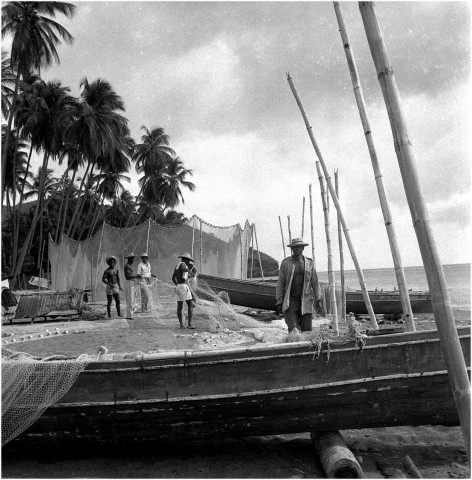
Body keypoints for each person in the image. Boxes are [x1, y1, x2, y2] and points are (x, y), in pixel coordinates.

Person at [275, 238, 322, 332]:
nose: (297, 249)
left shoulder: (309, 263)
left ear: (303, 248)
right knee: (293, 330)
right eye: (294, 247)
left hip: (306, 300)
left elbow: (315, 282)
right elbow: (280, 283)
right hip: (291, 301)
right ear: (292, 249)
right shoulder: (285, 263)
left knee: (307, 331)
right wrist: (279, 301)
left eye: (299, 247)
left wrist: (318, 299)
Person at [172, 253, 196, 329]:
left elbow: (173, 278)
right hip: (183, 286)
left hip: (179, 286)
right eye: (188, 260)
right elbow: (183, 268)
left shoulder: (177, 266)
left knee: (180, 306)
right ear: (185, 260)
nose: (189, 262)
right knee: (190, 304)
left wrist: (177, 285)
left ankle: (181, 325)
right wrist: (190, 271)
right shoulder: (182, 264)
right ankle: (190, 324)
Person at [123, 252, 141, 320]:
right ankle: (129, 315)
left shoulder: (130, 266)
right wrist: (137, 276)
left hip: (132, 283)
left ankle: (131, 313)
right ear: (129, 259)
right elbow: (128, 276)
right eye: (132, 259)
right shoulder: (127, 266)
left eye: (133, 259)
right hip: (129, 283)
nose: (133, 260)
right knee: (130, 300)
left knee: (133, 299)